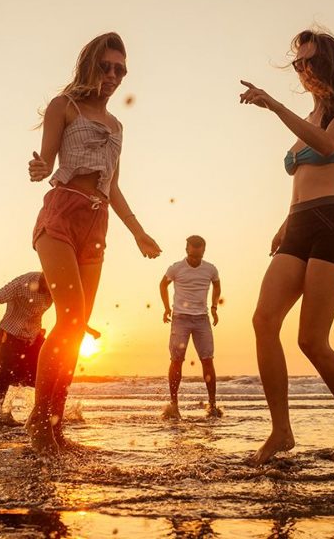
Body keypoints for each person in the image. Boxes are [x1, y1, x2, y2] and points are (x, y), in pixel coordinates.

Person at [239, 29, 334, 464]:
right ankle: (281, 431)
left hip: (331, 224)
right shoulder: (309, 112)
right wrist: (285, 222)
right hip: (297, 226)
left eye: (311, 61)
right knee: (264, 321)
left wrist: (273, 105)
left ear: (331, 64)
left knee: (312, 341)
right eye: (298, 63)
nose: (304, 69)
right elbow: (301, 181)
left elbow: (327, 146)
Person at [27, 32, 162, 454]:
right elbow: (48, 161)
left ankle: (55, 419)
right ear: (89, 66)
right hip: (61, 215)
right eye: (105, 66)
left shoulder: (118, 126)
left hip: (97, 226)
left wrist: (138, 231)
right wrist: (38, 167)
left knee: (76, 329)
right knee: (69, 319)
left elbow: (114, 185)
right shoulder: (63, 107)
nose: (112, 75)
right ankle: (40, 419)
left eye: (120, 69)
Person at [159, 235, 222, 418]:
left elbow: (217, 286)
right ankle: (174, 405)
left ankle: (212, 405)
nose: (195, 259)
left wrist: (214, 306)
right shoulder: (176, 268)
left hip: (202, 319)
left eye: (198, 255)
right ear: (187, 250)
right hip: (180, 319)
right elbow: (163, 285)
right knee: (176, 360)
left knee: (207, 360)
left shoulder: (210, 269)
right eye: (192, 255)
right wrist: (166, 308)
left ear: (203, 251)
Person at [0, 271, 52, 416]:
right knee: (5, 375)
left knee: (44, 374)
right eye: (49, 283)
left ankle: (45, 414)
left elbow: (72, 307)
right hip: (10, 335)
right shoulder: (23, 283)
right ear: (44, 274)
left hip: (33, 336)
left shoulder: (57, 289)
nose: (51, 289)